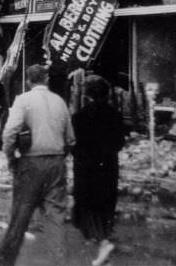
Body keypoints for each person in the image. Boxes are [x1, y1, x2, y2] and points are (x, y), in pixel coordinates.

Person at [0, 64, 75, 266]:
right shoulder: (59, 102)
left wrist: (11, 157)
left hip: (30, 162)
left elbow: (10, 133)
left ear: (28, 81)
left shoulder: (23, 100)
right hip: (56, 162)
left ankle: (4, 259)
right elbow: (70, 139)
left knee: (21, 213)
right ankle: (59, 262)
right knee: (55, 217)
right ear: (46, 79)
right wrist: (60, 158)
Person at [72, 75, 125, 266]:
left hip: (86, 168)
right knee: (106, 202)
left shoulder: (79, 117)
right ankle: (104, 237)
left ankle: (100, 242)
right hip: (107, 166)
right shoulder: (115, 115)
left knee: (88, 203)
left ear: (87, 95)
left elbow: (73, 143)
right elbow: (120, 142)